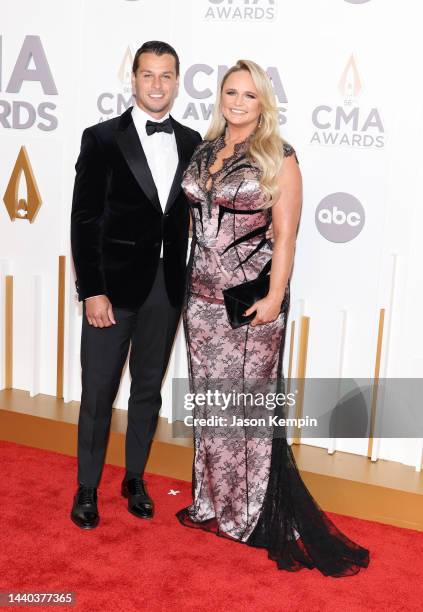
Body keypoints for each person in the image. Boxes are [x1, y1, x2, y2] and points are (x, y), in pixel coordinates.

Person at [176, 59, 370, 576]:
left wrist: (275, 295)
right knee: (211, 402)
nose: (237, 102)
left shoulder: (279, 157)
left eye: (248, 95)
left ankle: (249, 515)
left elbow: (286, 237)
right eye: (230, 93)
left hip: (250, 302)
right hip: (199, 300)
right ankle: (213, 503)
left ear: (263, 103)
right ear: (220, 97)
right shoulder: (204, 150)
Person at [70, 41, 201, 529]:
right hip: (112, 291)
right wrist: (92, 290)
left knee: (148, 389)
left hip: (166, 289)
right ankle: (86, 488)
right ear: (134, 79)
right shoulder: (101, 138)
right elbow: (84, 219)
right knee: (98, 392)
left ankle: (135, 479)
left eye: (167, 76)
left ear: (177, 81)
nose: (157, 85)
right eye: (149, 75)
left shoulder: (191, 142)